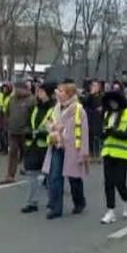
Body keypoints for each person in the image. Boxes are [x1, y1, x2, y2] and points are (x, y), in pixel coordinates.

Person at [42, 81, 89, 220]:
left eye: (61, 91)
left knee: (74, 177)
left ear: (69, 94)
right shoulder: (56, 108)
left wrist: (84, 152)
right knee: (54, 176)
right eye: (58, 91)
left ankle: (79, 201)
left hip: (73, 148)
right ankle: (56, 207)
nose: (58, 93)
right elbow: (49, 122)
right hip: (57, 145)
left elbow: (84, 132)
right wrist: (52, 128)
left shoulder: (79, 110)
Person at [100, 91, 127, 224]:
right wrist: (103, 133)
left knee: (119, 181)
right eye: (110, 102)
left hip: (123, 153)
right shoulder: (107, 114)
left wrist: (112, 132)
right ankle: (110, 211)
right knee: (108, 182)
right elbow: (103, 133)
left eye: (115, 101)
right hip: (108, 151)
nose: (112, 104)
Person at [21, 83, 56, 213]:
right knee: (31, 174)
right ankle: (32, 202)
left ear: (48, 93)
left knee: (50, 176)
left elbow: (55, 128)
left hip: (46, 145)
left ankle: (52, 202)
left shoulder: (54, 109)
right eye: (38, 91)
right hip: (32, 145)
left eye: (41, 91)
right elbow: (28, 123)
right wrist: (28, 132)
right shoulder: (35, 108)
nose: (38, 94)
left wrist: (40, 133)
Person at [1, 82, 35, 184]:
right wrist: (6, 125)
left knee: (27, 152)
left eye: (18, 89)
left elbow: (34, 115)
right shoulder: (12, 100)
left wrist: (31, 128)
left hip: (26, 132)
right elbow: (7, 113)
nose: (16, 91)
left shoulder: (31, 100)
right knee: (12, 153)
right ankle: (10, 175)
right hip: (13, 131)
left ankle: (28, 169)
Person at [82, 80, 105, 161]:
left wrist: (102, 109)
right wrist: (91, 94)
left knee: (98, 137)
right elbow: (84, 103)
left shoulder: (102, 96)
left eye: (96, 86)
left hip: (98, 118)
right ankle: (91, 154)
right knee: (90, 136)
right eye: (93, 86)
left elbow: (105, 106)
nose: (95, 87)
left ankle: (98, 154)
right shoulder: (88, 95)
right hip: (90, 117)